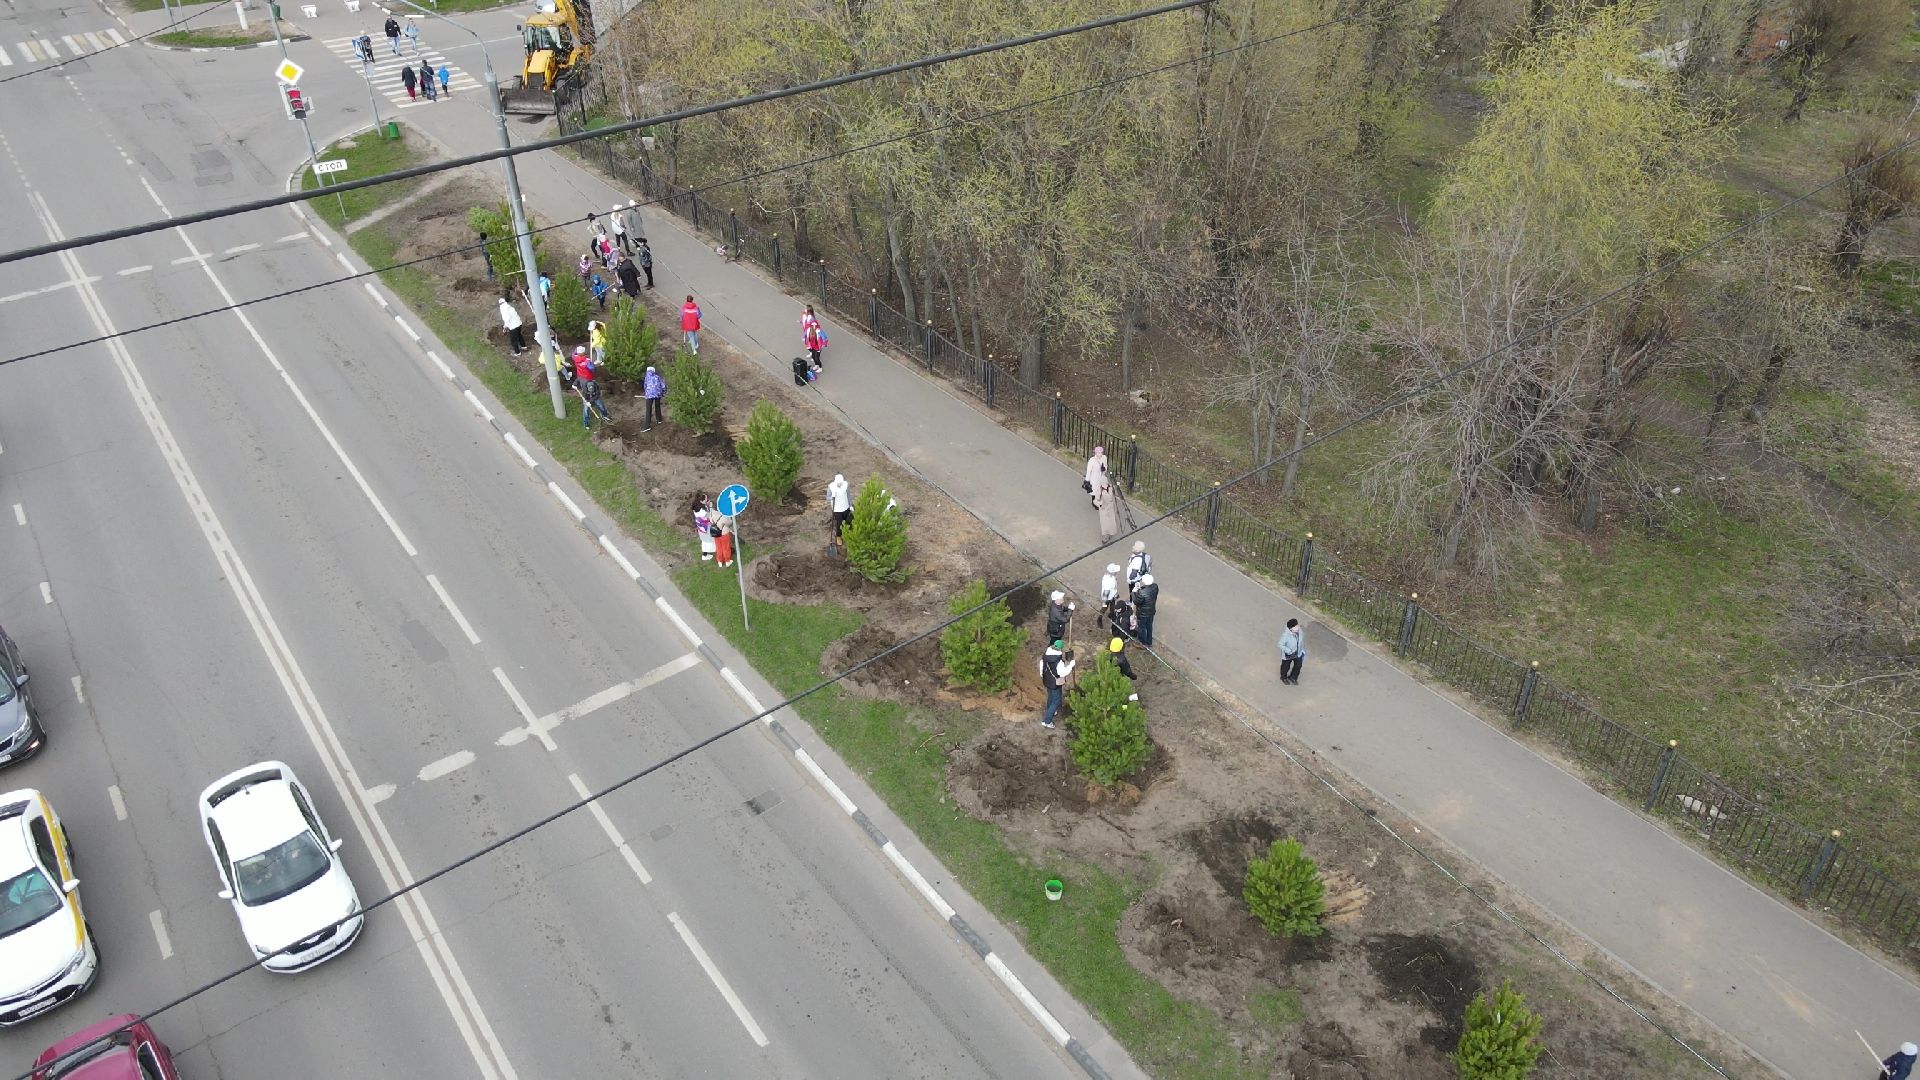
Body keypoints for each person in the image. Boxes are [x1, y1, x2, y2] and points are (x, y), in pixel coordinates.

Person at [1039, 641, 1075, 729]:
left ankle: (1050, 710)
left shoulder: (1045, 657)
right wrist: (1071, 665)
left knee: (1050, 697)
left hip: (1047, 681)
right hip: (1055, 683)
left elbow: (1041, 671)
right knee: (1056, 701)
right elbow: (1063, 673)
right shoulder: (1057, 662)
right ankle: (1047, 721)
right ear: (1060, 649)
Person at [573, 347, 611, 428]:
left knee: (599, 404)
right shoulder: (587, 361)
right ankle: (586, 423)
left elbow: (573, 354)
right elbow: (592, 368)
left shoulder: (575, 357)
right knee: (586, 408)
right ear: (583, 353)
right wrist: (587, 401)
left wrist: (575, 383)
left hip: (581, 377)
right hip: (587, 377)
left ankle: (605, 415)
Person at [1130, 573, 1158, 647]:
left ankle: (1143, 643)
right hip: (1151, 611)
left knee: (1142, 628)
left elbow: (1136, 601)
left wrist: (1134, 592)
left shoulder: (1141, 592)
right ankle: (1149, 642)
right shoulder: (1155, 587)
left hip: (1142, 614)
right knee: (1149, 626)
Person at [826, 474, 852, 550]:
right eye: (838, 483)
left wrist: (850, 505)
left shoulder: (846, 485)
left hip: (845, 506)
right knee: (839, 523)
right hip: (837, 509)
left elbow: (849, 496)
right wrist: (832, 497)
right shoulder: (831, 487)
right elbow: (827, 498)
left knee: (849, 521)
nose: (839, 484)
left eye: (841, 483)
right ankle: (838, 536)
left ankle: (848, 534)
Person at [1278, 618, 1306, 685]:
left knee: (1298, 665)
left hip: (1298, 652)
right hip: (1289, 654)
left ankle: (1293, 677)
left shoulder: (1300, 631)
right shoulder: (1285, 635)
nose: (1298, 627)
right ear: (1291, 628)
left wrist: (1302, 650)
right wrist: (1288, 650)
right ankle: (1283, 677)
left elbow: (1301, 641)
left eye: (1297, 625)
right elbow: (1280, 644)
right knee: (1285, 666)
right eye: (1296, 626)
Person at [801, 305, 828, 369]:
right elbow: (805, 333)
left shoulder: (818, 331)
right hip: (812, 346)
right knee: (813, 357)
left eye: (814, 325)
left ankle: (820, 367)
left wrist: (824, 344)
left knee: (817, 358)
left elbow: (824, 337)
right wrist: (803, 337)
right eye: (812, 325)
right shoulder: (809, 329)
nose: (813, 327)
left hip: (818, 347)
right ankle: (816, 365)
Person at [642, 365, 666, 430]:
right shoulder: (657, 377)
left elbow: (645, 386)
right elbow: (663, 385)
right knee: (657, 406)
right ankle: (659, 420)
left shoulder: (646, 378)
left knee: (648, 409)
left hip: (649, 395)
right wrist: (663, 393)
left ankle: (647, 426)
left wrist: (646, 393)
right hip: (658, 394)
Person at [1099, 563, 1121, 628]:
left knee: (1112, 607)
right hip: (1108, 598)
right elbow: (1106, 592)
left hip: (1112, 597)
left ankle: (1112, 617)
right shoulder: (1109, 581)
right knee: (1104, 608)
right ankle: (1099, 619)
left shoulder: (1109, 576)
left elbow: (1113, 588)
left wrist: (1115, 594)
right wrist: (1105, 601)